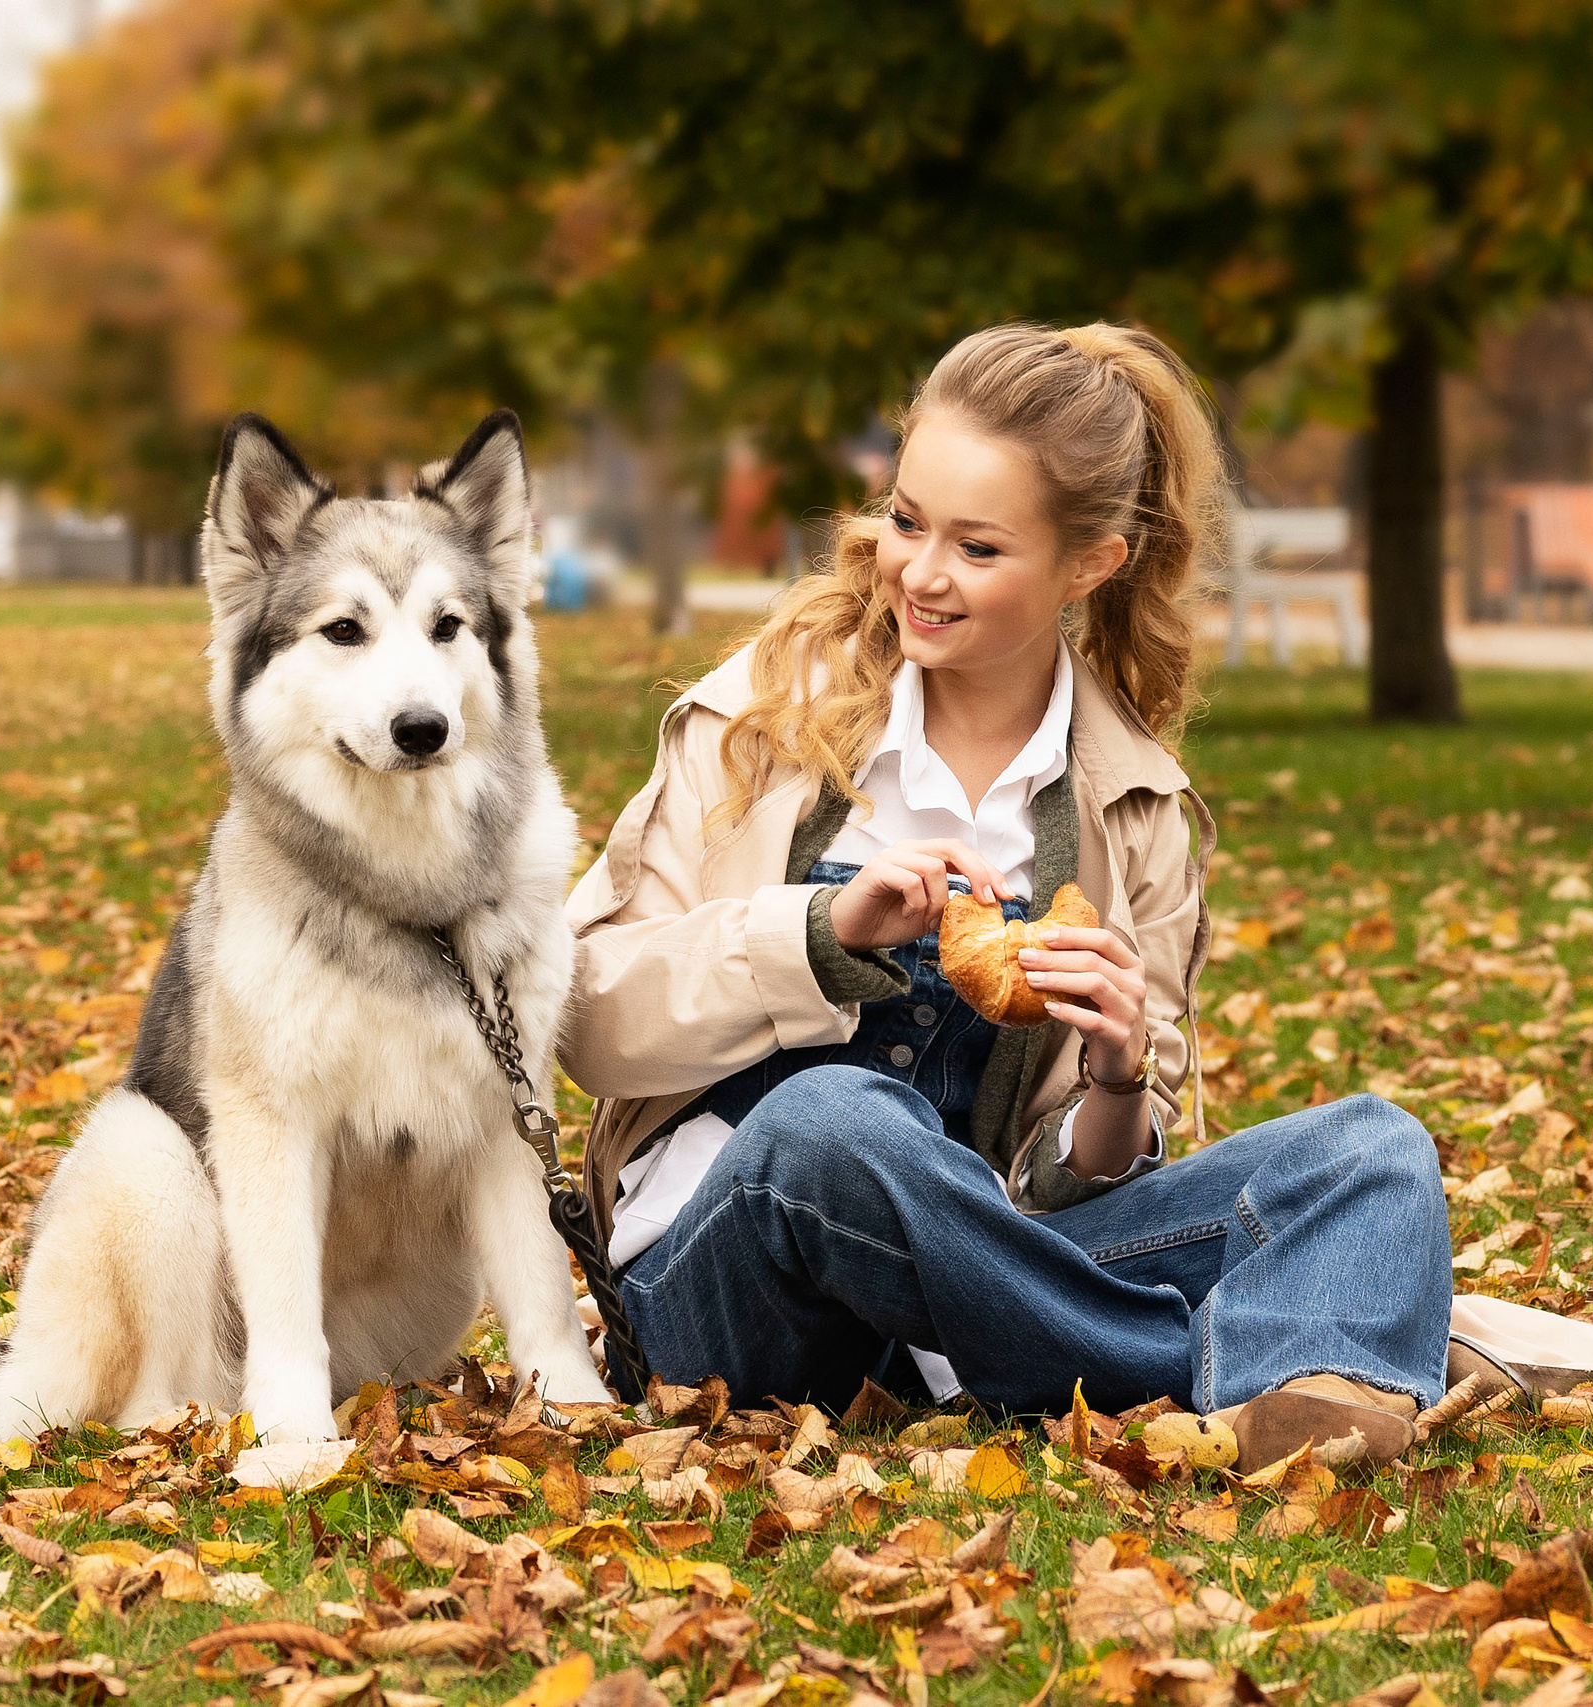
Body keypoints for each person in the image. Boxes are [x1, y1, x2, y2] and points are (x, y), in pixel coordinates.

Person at [558, 322, 1453, 1471]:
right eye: (906, 520)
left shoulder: (1127, 804)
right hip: (727, 1295)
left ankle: (1234, 1364)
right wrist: (821, 935)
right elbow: (586, 1020)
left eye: (977, 549)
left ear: (1091, 565)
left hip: (970, 1293)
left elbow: (1080, 1172)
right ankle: (1229, 1358)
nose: (920, 573)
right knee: (835, 1122)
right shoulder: (757, 722)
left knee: (1371, 1150)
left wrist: (1121, 1073)